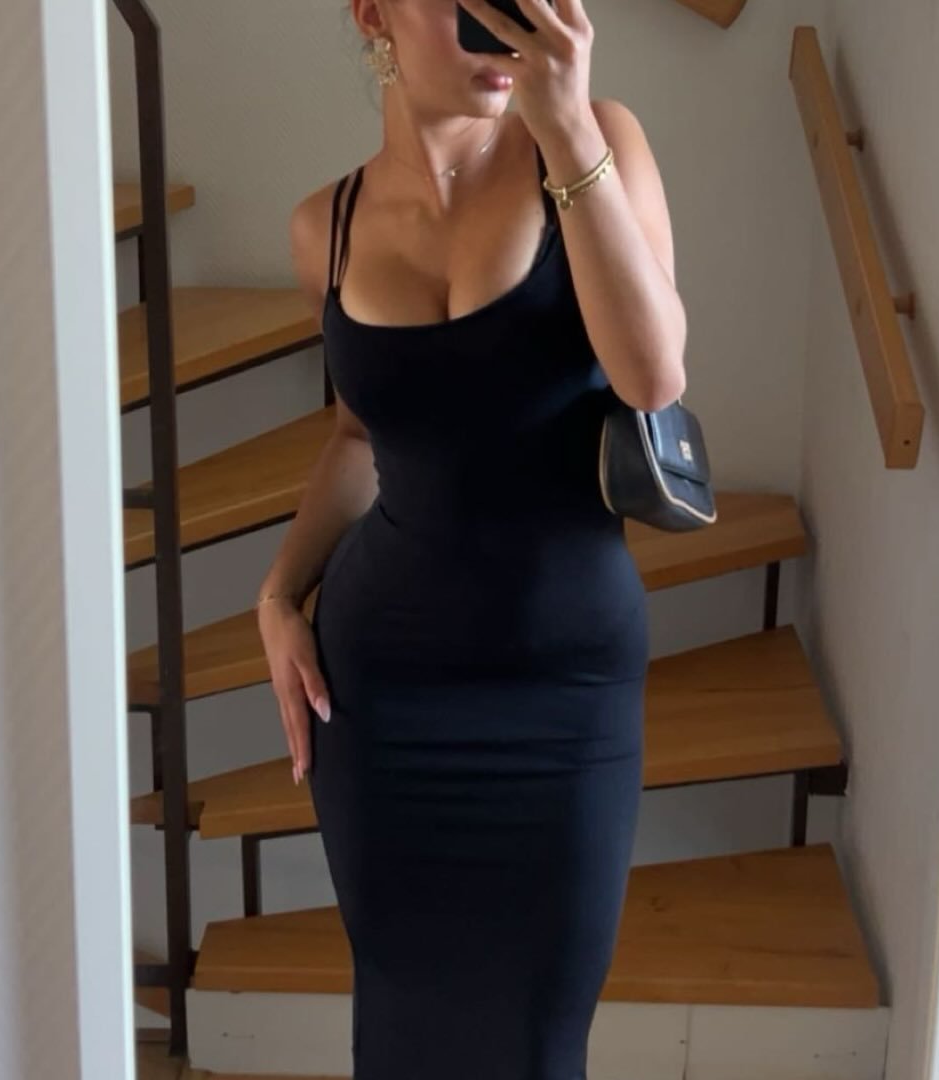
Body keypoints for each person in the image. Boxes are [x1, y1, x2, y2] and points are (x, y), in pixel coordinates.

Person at [256, 1, 686, 1076]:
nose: (508, 23)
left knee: (539, 1040)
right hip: (385, 696)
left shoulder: (599, 139)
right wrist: (278, 592)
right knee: (403, 1025)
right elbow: (360, 436)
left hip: (563, 689)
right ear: (376, 13)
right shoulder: (326, 226)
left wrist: (568, 129)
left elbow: (652, 375)